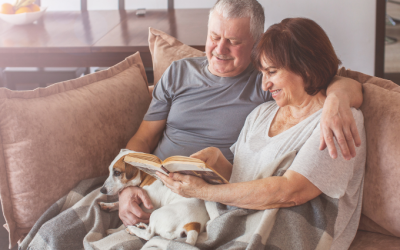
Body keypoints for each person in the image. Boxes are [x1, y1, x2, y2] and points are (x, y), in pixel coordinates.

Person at [119, 0, 363, 227]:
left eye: (233, 42)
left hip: (204, 198)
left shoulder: (268, 84)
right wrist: (125, 187)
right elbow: (144, 139)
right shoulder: (178, 73)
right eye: (214, 37)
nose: (219, 49)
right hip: (151, 185)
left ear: (256, 43)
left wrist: (337, 100)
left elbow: (329, 78)